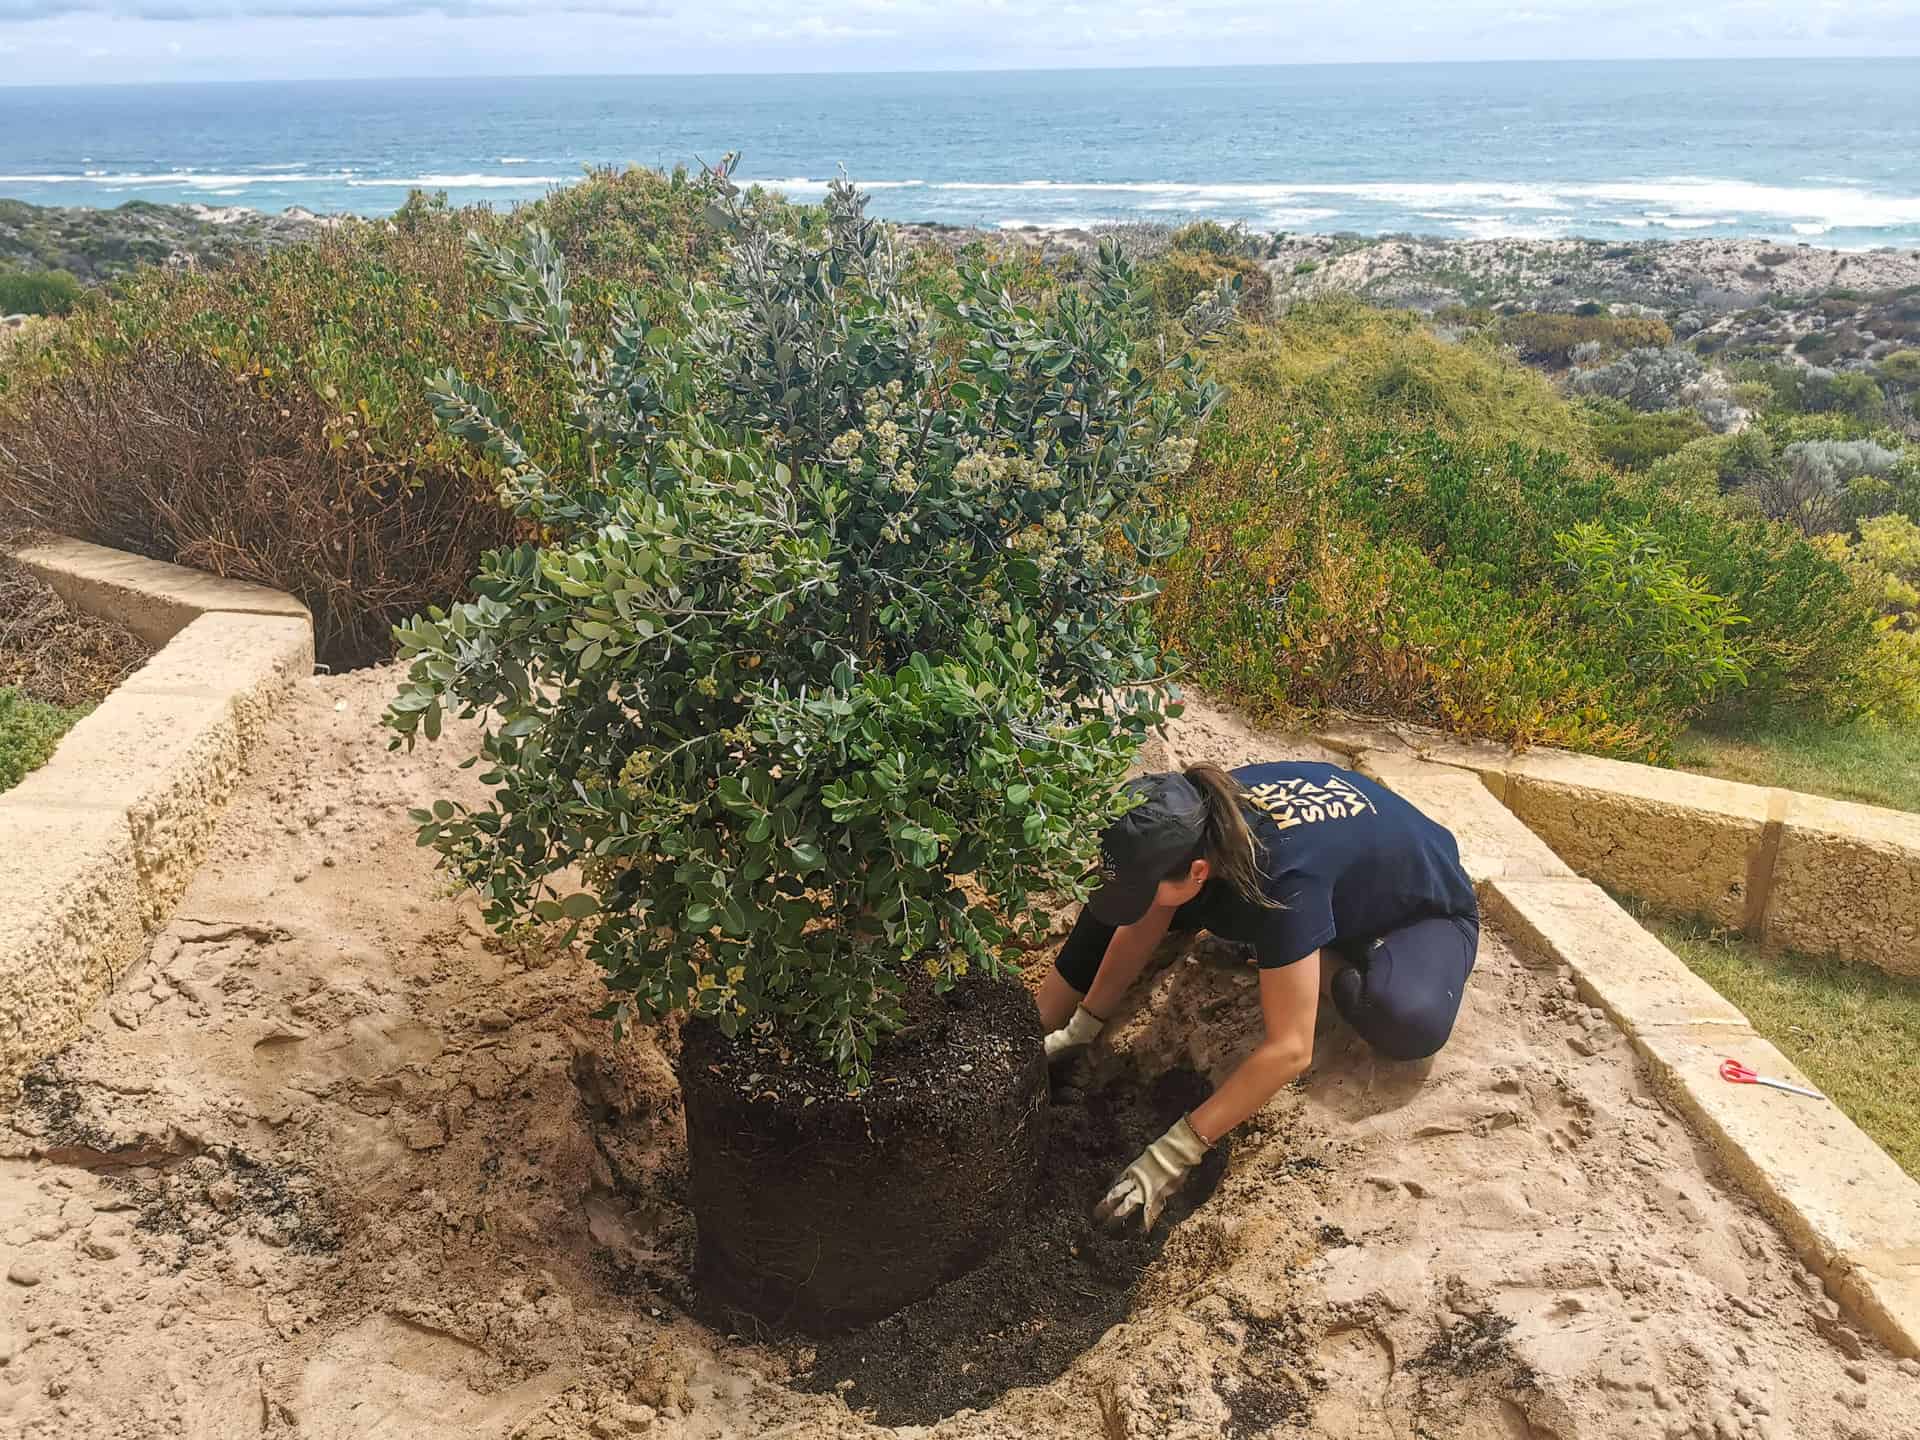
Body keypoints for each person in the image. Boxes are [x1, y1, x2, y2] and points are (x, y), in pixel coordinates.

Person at [1038, 760, 1480, 1231]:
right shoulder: (1191, 815)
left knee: (1406, 1021)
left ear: (1198, 872)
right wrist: (1081, 1026)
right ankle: (1040, 1019)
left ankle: (1316, 957)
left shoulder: (1282, 883)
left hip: (1413, 911)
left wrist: (1171, 1157)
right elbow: (1143, 917)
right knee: (1117, 903)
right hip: (1321, 869)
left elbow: (1291, 1049)